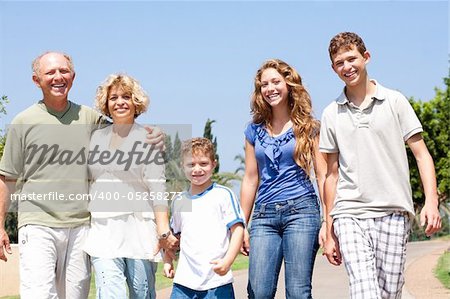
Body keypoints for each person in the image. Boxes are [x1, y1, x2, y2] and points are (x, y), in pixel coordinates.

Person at [0, 51, 164, 299]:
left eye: (64, 71)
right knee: (39, 294)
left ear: (73, 77)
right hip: (37, 224)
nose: (58, 77)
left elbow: (123, 126)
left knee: (75, 294)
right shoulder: (23, 121)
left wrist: (154, 133)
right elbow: (7, 177)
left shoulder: (90, 118)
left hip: (81, 227)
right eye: (50, 72)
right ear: (36, 80)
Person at [320, 32, 442, 299]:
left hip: (393, 210)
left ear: (366, 57)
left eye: (352, 59)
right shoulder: (331, 113)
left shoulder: (395, 101)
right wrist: (328, 227)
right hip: (349, 212)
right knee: (364, 291)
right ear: (333, 68)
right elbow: (331, 175)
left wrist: (431, 202)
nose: (347, 67)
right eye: (339, 63)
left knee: (389, 293)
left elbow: (421, 155)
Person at [83, 74, 177, 299]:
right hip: (103, 230)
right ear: (106, 104)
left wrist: (163, 231)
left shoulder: (148, 138)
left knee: (142, 293)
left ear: (136, 102)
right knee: (109, 293)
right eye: (113, 97)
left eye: (126, 96)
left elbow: (158, 189)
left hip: (139, 230)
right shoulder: (95, 138)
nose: (120, 102)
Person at [240, 59, 327, 299]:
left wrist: (328, 221)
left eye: (275, 82)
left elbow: (323, 175)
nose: (270, 88)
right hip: (263, 216)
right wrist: (240, 226)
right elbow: (250, 179)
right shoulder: (253, 130)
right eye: (264, 85)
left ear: (288, 84)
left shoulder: (309, 127)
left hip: (302, 211)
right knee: (258, 292)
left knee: (298, 293)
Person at [164, 137, 245, 299]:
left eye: (203, 163)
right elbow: (174, 237)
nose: (197, 169)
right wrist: (167, 260)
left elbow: (238, 231)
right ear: (182, 167)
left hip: (217, 282)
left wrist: (228, 261)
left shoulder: (223, 195)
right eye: (191, 164)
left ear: (213, 165)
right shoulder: (179, 201)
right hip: (184, 283)